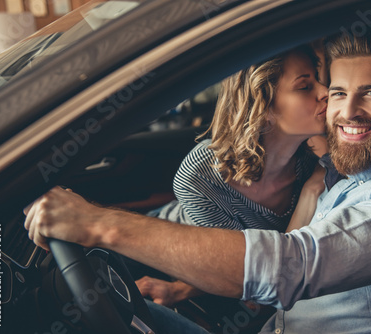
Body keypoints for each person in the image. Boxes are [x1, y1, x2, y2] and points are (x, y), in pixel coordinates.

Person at [24, 20, 371, 334]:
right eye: (337, 92)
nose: (346, 110)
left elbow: (287, 266)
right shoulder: (348, 171)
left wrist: (98, 224)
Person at [135, 45, 329, 310]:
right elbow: (247, 275)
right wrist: (179, 289)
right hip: (158, 258)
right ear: (263, 107)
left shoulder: (316, 160)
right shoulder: (201, 177)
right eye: (305, 86)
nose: (325, 92)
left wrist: (313, 185)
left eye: (319, 80)